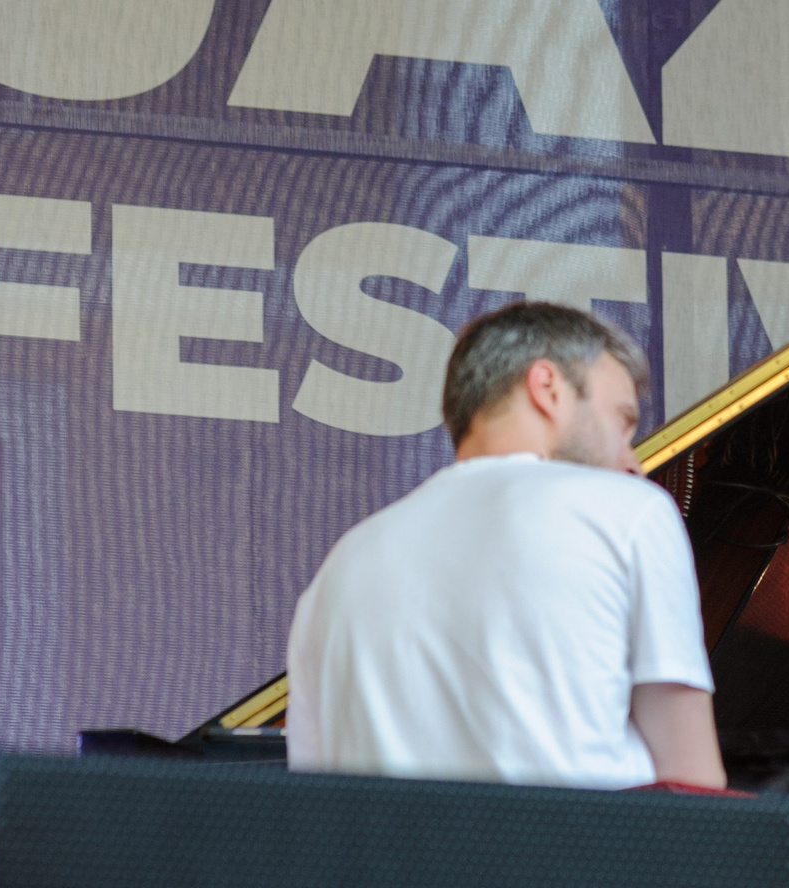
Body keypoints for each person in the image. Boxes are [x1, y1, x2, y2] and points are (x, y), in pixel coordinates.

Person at [285, 300, 725, 789]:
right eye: (622, 421)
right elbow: (693, 790)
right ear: (547, 388)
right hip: (584, 862)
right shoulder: (627, 510)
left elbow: (318, 803)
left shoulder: (342, 565)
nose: (633, 463)